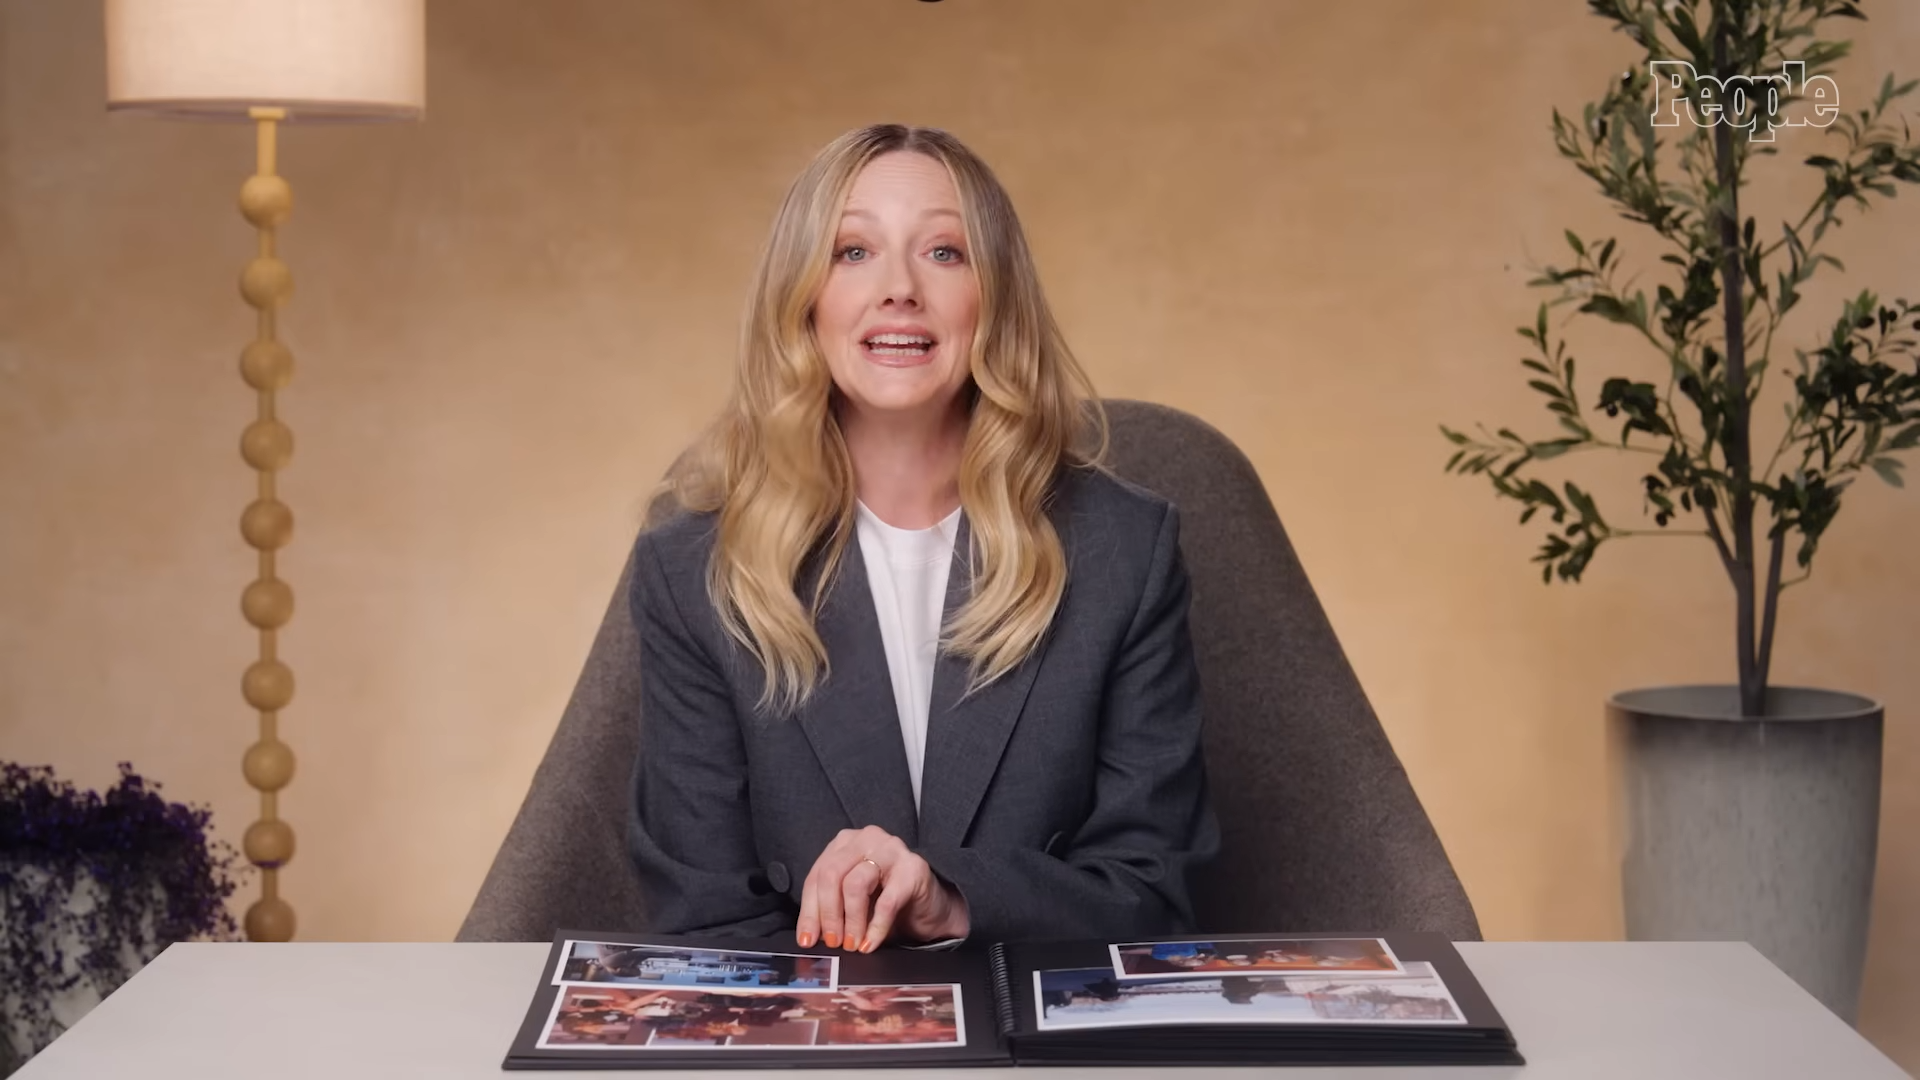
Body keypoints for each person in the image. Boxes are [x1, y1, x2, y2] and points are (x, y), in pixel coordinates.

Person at [624, 122, 1220, 951]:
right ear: (802, 298)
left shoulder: (1126, 550)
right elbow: (704, 914)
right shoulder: (690, 569)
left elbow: (1156, 892)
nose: (899, 288)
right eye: (851, 252)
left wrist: (951, 900)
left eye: (944, 252)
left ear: (996, 297)